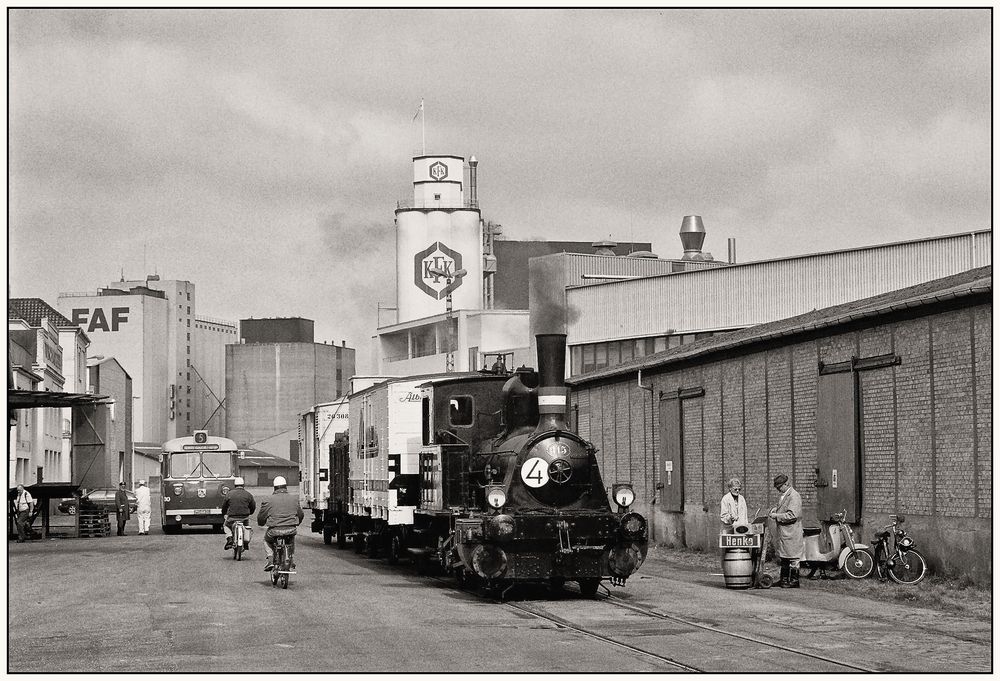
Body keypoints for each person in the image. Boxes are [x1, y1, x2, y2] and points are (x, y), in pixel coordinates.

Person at [257, 476, 303, 572]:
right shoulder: (294, 499)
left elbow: (261, 517)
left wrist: (261, 523)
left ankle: (270, 560)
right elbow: (300, 515)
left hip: (274, 530)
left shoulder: (268, 500)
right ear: (286, 487)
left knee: (266, 540)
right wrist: (297, 523)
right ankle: (290, 558)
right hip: (291, 529)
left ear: (274, 487)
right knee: (290, 541)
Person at [769, 473, 804, 588]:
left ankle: (794, 581)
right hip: (785, 532)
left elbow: (792, 515)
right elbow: (785, 509)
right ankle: (783, 580)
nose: (778, 490)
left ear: (786, 484)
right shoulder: (785, 495)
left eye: (779, 487)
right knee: (784, 557)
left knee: (793, 557)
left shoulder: (794, 496)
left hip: (792, 532)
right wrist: (777, 509)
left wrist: (776, 515)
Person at [222, 477, 256, 551]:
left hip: (232, 518)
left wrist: (224, 513)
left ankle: (230, 538)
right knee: (246, 527)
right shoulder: (248, 495)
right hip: (244, 518)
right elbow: (253, 506)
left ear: (235, 485)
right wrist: (250, 512)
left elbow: (224, 506)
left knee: (226, 526)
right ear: (243, 485)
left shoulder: (229, 494)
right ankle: (246, 542)